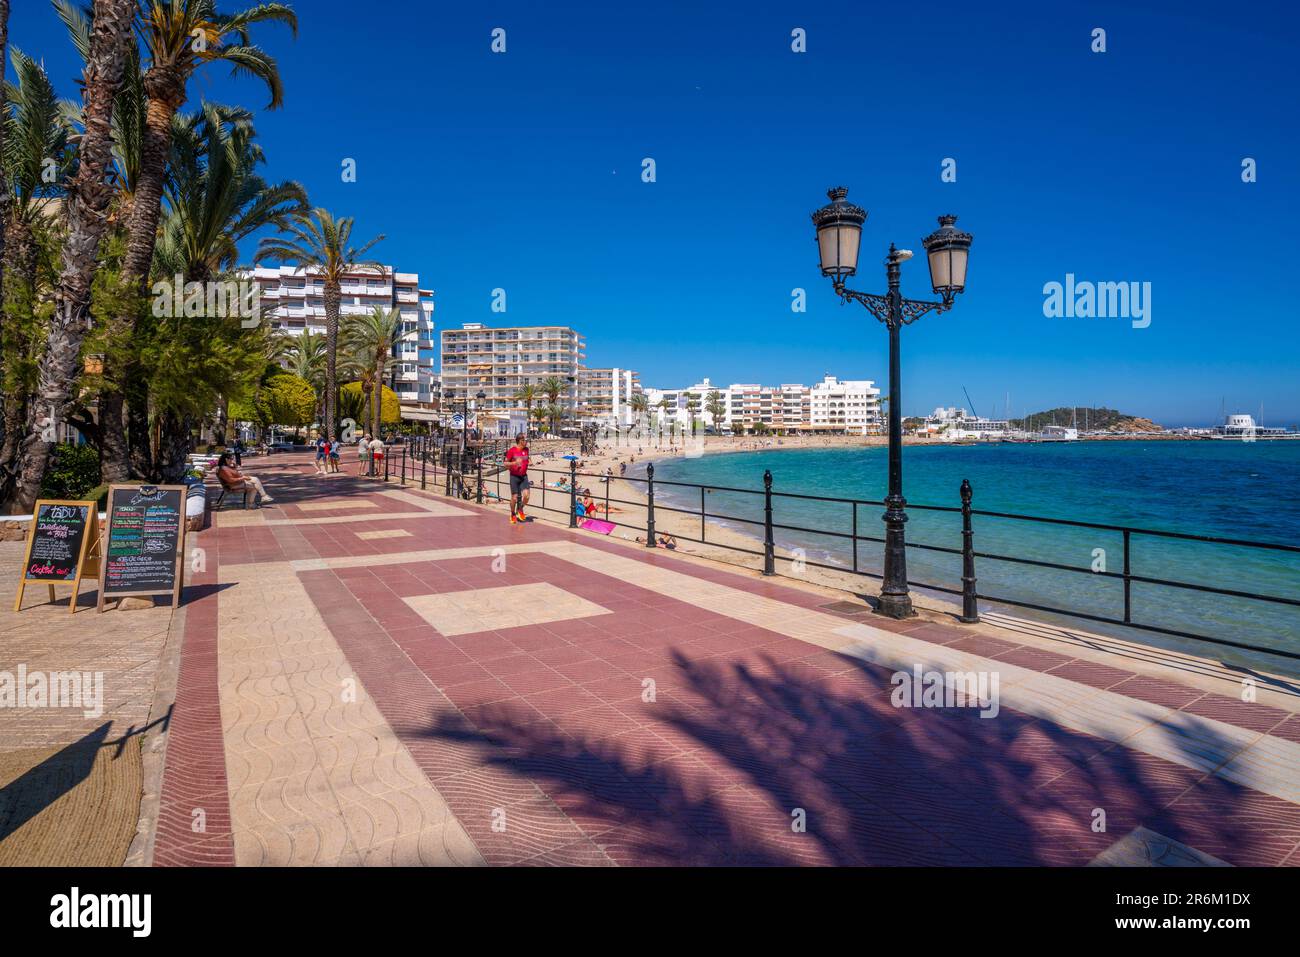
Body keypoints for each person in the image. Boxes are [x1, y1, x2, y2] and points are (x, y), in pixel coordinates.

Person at [504, 433, 530, 524]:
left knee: (526, 496)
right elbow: (505, 464)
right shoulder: (512, 451)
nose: (526, 442)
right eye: (525, 440)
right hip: (514, 476)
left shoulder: (527, 450)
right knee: (514, 498)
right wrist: (514, 463)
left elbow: (526, 459)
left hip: (523, 476)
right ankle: (512, 513)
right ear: (520, 441)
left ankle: (520, 509)